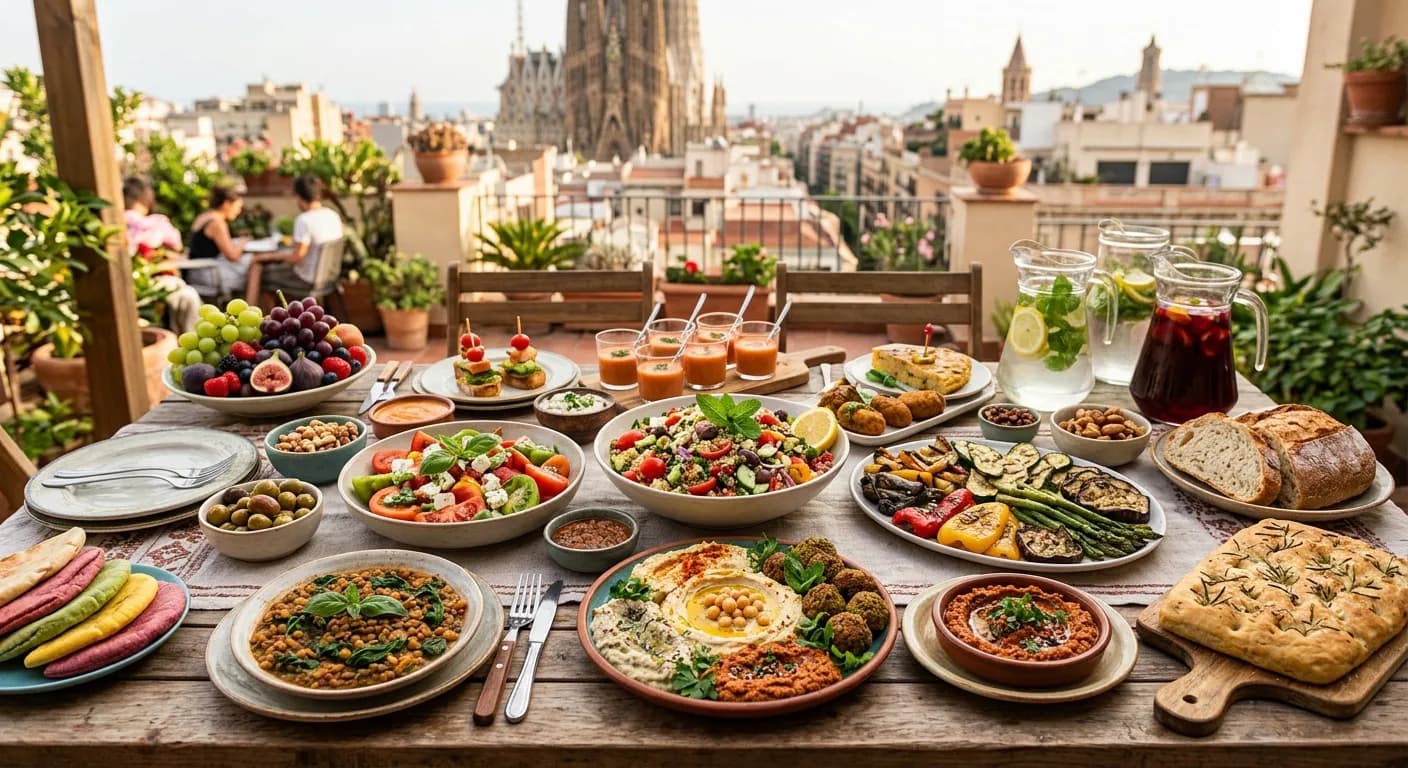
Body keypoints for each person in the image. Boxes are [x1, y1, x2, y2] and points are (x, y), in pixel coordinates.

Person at [122, 176, 202, 333]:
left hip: (141, 284)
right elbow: (175, 249)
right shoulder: (155, 224)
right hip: (150, 284)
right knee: (189, 297)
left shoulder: (118, 222)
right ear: (147, 197)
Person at [247, 174, 343, 301]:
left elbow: (296, 257)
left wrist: (268, 256)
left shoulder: (304, 220)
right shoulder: (333, 215)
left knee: (258, 267)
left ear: (298, 196)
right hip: (327, 278)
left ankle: (251, 309)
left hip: (306, 280)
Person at [187, 184, 249, 297]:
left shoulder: (203, 216)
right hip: (208, 274)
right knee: (256, 265)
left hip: (195, 271)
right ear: (227, 204)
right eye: (238, 207)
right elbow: (232, 256)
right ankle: (252, 303)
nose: (239, 211)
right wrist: (243, 242)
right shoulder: (217, 223)